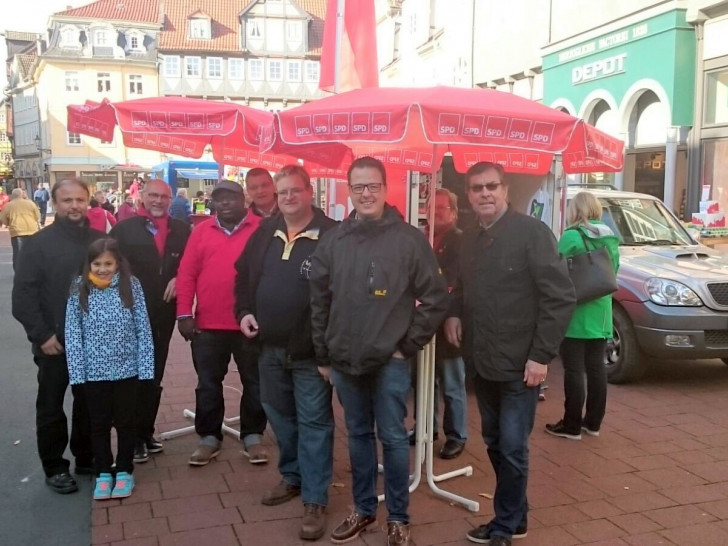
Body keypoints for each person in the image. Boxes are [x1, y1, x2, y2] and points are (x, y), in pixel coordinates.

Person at [310, 156, 449, 546]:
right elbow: (318, 299)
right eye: (358, 187)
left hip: (390, 360)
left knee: (391, 437)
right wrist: (323, 354)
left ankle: (399, 518)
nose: (366, 193)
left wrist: (407, 345)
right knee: (356, 434)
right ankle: (364, 509)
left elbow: (436, 299)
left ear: (386, 189)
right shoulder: (334, 239)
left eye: (372, 186)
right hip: (344, 358)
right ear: (349, 191)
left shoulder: (408, 240)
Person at [444, 162, 575, 546]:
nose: (484, 193)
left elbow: (559, 297)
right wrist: (453, 313)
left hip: (521, 364)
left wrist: (541, 356)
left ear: (505, 190)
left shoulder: (532, 234)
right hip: (483, 361)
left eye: (491, 186)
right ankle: (516, 515)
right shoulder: (469, 237)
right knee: (496, 442)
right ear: (468, 194)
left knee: (513, 446)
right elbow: (462, 288)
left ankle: (503, 525)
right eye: (476, 188)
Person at [236, 165, 337, 541]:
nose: (289, 198)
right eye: (283, 193)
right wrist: (243, 312)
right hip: (268, 348)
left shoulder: (332, 235)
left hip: (311, 353)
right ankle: (293, 476)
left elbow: (338, 296)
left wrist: (328, 352)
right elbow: (242, 277)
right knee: (281, 418)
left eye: (296, 190)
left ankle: (315, 498)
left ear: (311, 192)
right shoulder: (264, 232)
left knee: (314, 424)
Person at [12, 178, 105, 494]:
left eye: (80, 199)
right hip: (54, 341)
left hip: (92, 340)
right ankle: (54, 466)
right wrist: (42, 335)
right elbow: (23, 296)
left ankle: (86, 457)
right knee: (51, 405)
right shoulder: (38, 244)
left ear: (88, 201)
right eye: (67, 201)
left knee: (88, 403)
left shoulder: (100, 241)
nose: (75, 206)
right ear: (54, 203)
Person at [176, 180, 268, 466]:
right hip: (208, 324)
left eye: (231, 197)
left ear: (244, 199)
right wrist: (183, 313)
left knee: (255, 382)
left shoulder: (262, 229)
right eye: (220, 199)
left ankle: (252, 435)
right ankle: (209, 438)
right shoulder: (201, 231)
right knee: (208, 384)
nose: (225, 203)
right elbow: (187, 273)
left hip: (249, 322)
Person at [65, 238, 155, 500]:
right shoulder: (79, 288)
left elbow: (143, 329)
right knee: (99, 424)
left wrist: (146, 369)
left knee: (127, 423)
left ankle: (124, 469)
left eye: (108, 263)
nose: (102, 269)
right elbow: (73, 334)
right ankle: (104, 471)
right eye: (97, 264)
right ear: (88, 264)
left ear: (117, 264)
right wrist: (77, 374)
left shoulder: (131, 286)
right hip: (94, 373)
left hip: (127, 370)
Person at [111, 179, 190, 463]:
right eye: (153, 195)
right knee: (131, 375)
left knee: (154, 373)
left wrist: (179, 278)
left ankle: (146, 432)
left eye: (163, 197)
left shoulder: (181, 229)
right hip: (129, 313)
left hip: (163, 313)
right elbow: (108, 267)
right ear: (142, 196)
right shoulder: (124, 229)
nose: (158, 201)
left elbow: (192, 263)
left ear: (170, 200)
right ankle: (130, 438)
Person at [545, 192, 619, 440]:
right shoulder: (611, 237)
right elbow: (613, 272)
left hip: (576, 310)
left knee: (574, 369)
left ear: (575, 211)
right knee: (597, 368)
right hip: (601, 313)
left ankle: (572, 424)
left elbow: (555, 271)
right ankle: (593, 423)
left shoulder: (571, 236)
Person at [410, 188, 468, 459]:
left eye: (442, 208)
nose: (435, 212)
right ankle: (426, 427)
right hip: (424, 324)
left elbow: (456, 281)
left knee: (452, 383)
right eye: (432, 207)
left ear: (454, 213)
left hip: (448, 323)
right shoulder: (422, 237)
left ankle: (457, 435)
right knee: (425, 380)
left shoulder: (459, 241)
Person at [0, 188, 41, 270]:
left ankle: (19, 271)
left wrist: (9, 224)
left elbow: (3, 218)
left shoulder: (9, 205)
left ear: (12, 196)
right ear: (22, 195)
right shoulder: (30, 203)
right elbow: (37, 216)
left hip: (17, 231)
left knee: (18, 253)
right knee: (32, 251)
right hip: (32, 230)